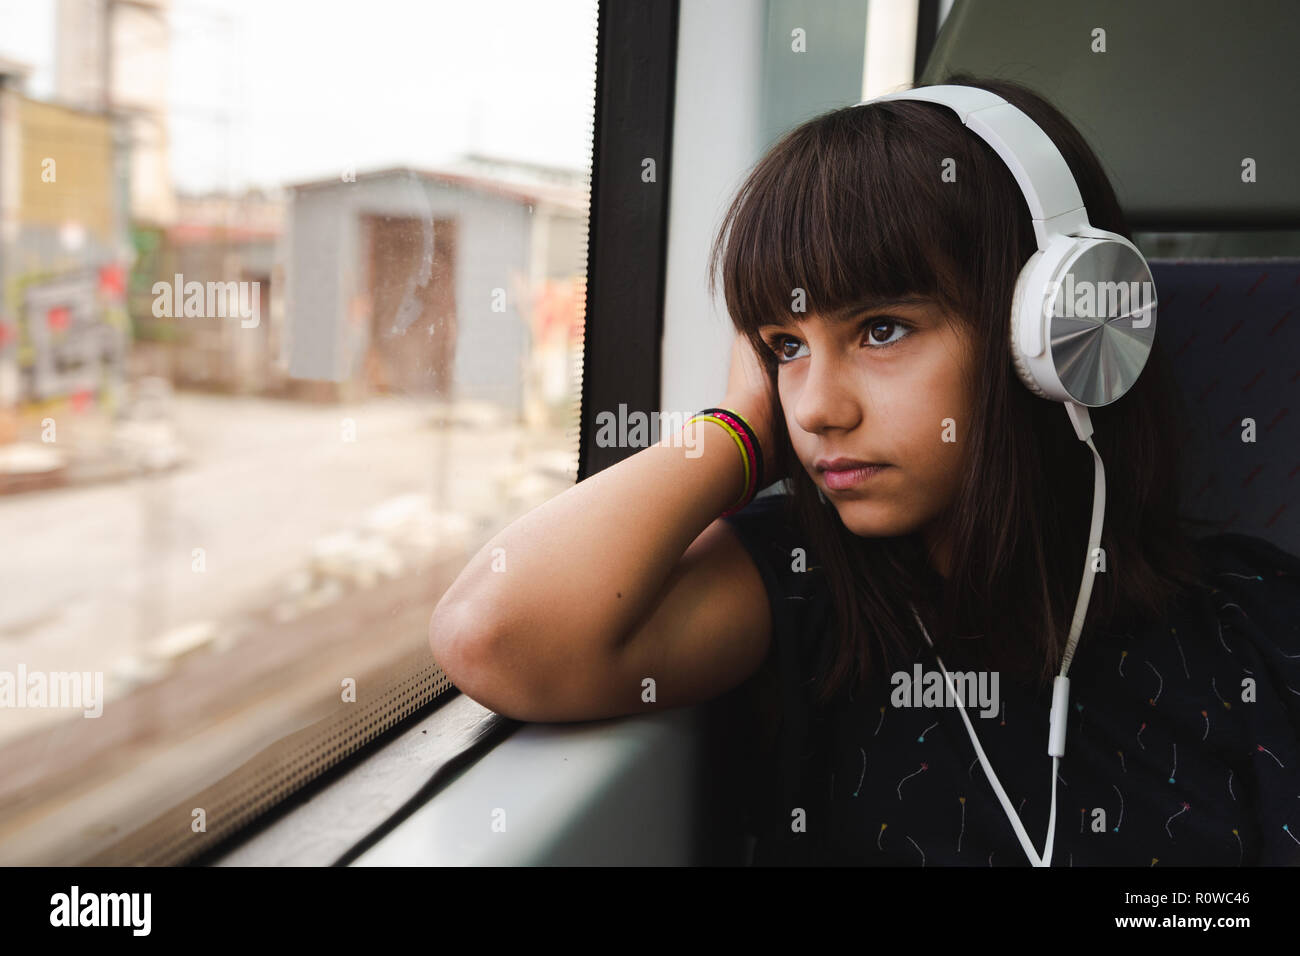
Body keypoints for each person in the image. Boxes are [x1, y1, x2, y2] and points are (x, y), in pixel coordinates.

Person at [428, 73, 1300, 866]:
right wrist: (739, 434)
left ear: (1053, 334)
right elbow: (491, 633)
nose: (816, 408)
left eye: (881, 330)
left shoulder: (1251, 626)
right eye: (784, 347)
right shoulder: (808, 592)